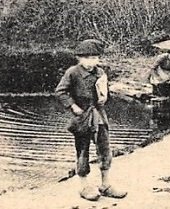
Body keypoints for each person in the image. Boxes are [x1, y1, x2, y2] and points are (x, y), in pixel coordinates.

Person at [54, 38, 127, 201]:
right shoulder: (72, 72)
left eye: (94, 57)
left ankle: (106, 184)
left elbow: (104, 90)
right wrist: (73, 106)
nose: (91, 61)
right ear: (79, 58)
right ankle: (84, 186)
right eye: (87, 57)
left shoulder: (100, 72)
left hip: (99, 115)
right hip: (82, 116)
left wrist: (105, 97)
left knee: (105, 147)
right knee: (82, 150)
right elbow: (60, 91)